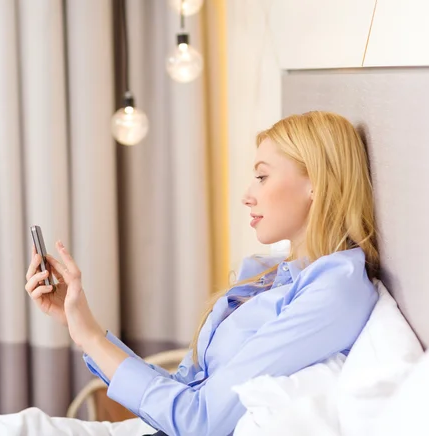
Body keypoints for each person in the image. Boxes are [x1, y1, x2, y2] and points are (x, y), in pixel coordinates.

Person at [24, 111, 380, 436]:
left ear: (315, 183)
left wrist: (91, 338)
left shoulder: (334, 291)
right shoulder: (272, 275)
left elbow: (199, 421)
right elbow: (185, 392)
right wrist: (82, 325)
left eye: (261, 176)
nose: (247, 195)